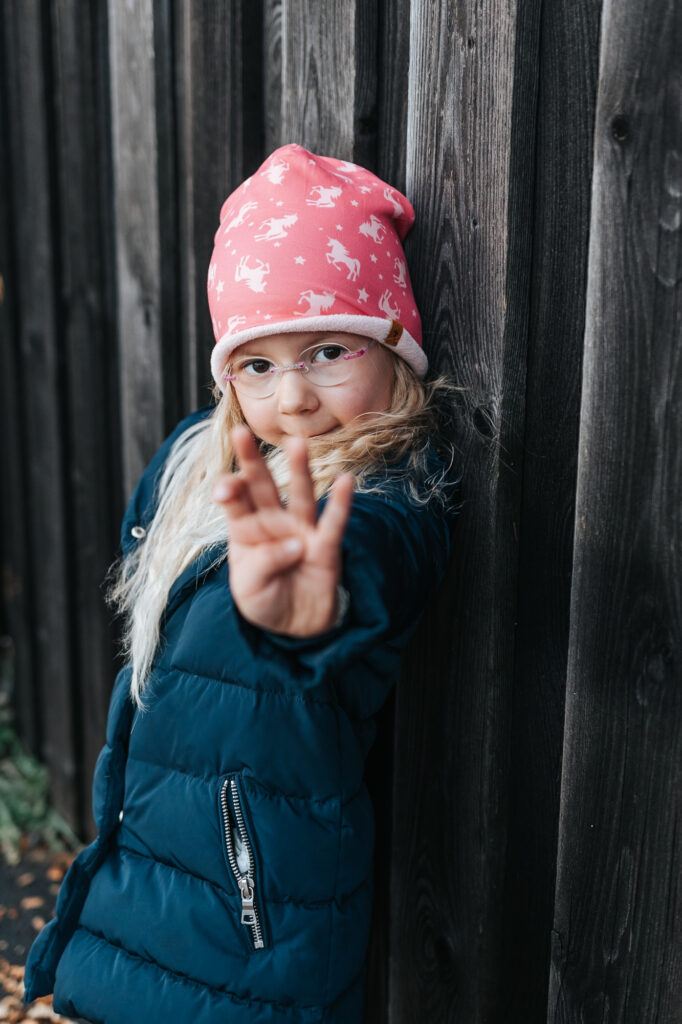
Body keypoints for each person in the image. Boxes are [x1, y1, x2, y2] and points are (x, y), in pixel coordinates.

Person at [22, 143, 462, 1023]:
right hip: (151, 858)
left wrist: (309, 611)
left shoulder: (387, 494)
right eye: (259, 363)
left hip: (260, 917)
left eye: (329, 349)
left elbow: (375, 557)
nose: (292, 397)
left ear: (395, 351)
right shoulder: (208, 463)